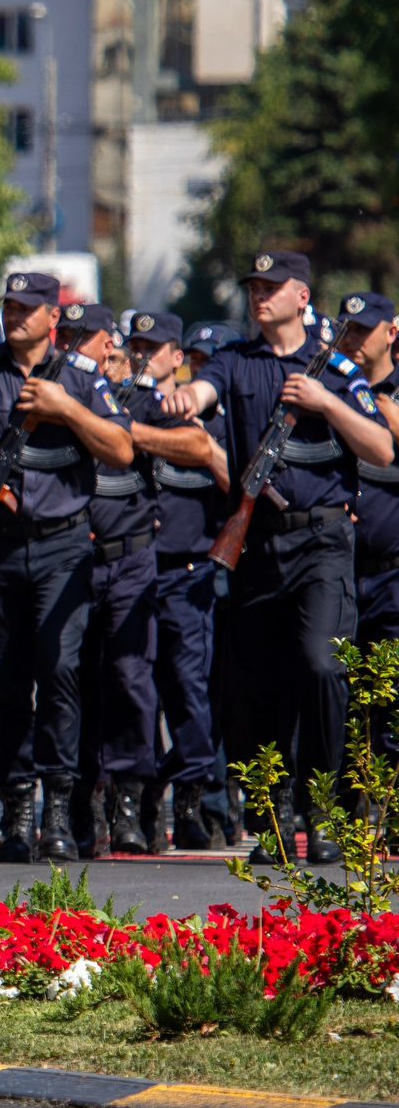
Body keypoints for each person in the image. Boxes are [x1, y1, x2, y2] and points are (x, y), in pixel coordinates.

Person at [166, 253, 389, 865]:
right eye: (253, 287)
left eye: (271, 287)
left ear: (301, 294)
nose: (259, 296)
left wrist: (326, 402)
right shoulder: (235, 362)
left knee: (321, 667)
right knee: (256, 685)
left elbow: (381, 446)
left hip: (321, 539)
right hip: (257, 540)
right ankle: (270, 816)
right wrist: (188, 396)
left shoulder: (335, 369)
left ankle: (321, 810)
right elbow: (206, 389)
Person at [0, 270, 128, 863]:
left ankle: (58, 808)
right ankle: (17, 810)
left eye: (27, 308)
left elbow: (121, 449)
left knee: (59, 675)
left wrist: (65, 409)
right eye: (9, 305)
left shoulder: (78, 377)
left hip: (62, 545)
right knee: (4, 683)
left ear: (54, 317)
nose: (14, 315)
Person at [115, 310, 231, 848]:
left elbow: (229, 473)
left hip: (188, 570)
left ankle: (188, 799)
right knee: (137, 694)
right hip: (135, 567)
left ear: (176, 357)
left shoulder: (206, 414)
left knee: (189, 691)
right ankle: (138, 800)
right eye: (135, 345)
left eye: (153, 346)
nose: (142, 354)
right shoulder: (118, 406)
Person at [55, 303, 158, 854]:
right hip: (71, 556)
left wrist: (126, 423)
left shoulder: (140, 400)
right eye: (67, 337)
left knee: (128, 678)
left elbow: (200, 448)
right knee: (73, 679)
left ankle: (131, 801)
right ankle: (81, 801)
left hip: (130, 555)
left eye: (90, 341)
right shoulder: (50, 394)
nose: (80, 349)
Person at [335, 293, 399, 781]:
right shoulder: (329, 388)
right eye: (347, 329)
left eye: (364, 329)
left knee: (392, 701)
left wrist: (382, 412)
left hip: (391, 572)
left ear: (390, 334)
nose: (353, 339)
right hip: (336, 567)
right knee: (341, 696)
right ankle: (348, 807)